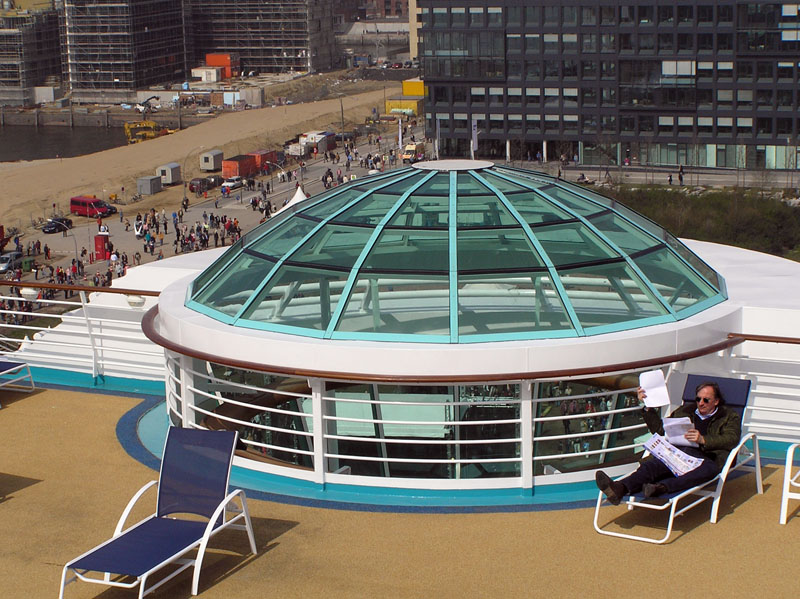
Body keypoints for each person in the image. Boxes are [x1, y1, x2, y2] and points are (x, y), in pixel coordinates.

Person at [595, 381, 741, 504]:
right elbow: (659, 429)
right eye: (698, 399)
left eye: (706, 400)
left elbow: (732, 438)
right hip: (679, 453)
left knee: (707, 471)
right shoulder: (685, 410)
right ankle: (620, 488)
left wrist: (703, 439)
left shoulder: (728, 416)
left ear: (716, 401)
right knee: (652, 466)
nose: (701, 403)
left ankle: (661, 488)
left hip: (707, 458)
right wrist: (648, 408)